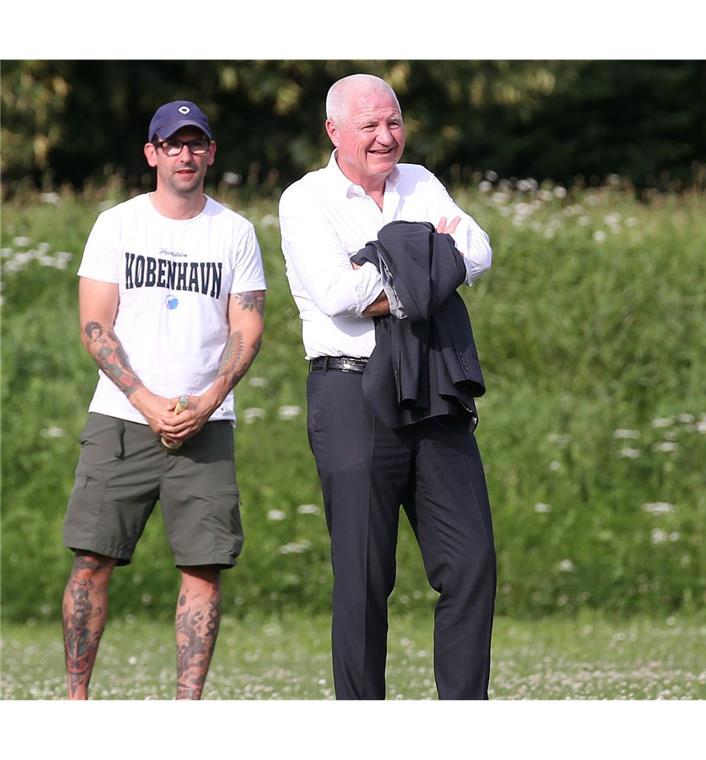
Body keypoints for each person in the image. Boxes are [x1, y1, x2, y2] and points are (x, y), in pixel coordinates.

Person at [278, 74, 496, 700]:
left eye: (393, 122)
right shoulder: (305, 199)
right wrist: (428, 264)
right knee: (365, 577)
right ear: (334, 132)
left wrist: (381, 261)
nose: (384, 137)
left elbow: (477, 254)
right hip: (351, 396)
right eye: (369, 125)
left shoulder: (422, 182)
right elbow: (339, 296)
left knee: (472, 562)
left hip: (436, 384)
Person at [60, 100, 267, 700]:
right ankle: (75, 704)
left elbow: (247, 327)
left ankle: (186, 711)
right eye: (172, 144)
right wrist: (147, 400)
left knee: (203, 570)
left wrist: (207, 400)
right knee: (91, 561)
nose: (186, 154)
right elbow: (95, 324)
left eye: (196, 143)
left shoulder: (234, 232)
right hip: (121, 419)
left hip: (207, 422)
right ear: (151, 153)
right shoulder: (117, 224)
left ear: (211, 153)